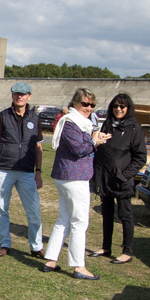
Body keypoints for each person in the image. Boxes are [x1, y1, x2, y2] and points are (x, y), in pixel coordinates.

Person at [42, 88, 110, 280]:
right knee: (79, 222)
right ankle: (78, 266)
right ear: (75, 104)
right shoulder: (71, 123)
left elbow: (83, 144)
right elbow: (79, 149)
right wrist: (95, 142)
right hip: (74, 176)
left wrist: (96, 139)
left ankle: (51, 259)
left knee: (64, 217)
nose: (88, 108)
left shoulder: (80, 123)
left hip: (68, 176)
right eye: (85, 104)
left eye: (92, 105)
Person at [0, 81, 44, 258]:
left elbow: (38, 147)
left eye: (23, 94)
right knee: (2, 209)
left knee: (33, 210)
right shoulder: (2, 117)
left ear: (29, 96)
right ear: (12, 95)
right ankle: (4, 243)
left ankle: (36, 246)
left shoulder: (35, 119)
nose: (20, 96)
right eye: (17, 93)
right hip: (4, 170)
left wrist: (38, 172)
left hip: (27, 172)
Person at [89, 93, 147, 265]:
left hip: (122, 180)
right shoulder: (108, 125)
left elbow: (140, 157)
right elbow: (101, 150)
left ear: (128, 108)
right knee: (107, 214)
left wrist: (125, 175)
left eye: (122, 106)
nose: (118, 109)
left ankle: (127, 251)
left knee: (125, 214)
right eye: (115, 106)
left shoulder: (134, 128)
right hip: (105, 178)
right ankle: (106, 247)